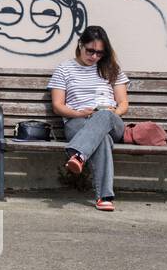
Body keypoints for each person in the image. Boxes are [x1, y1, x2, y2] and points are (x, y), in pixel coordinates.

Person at [47, 26, 129, 211]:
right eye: (90, 51)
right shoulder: (64, 69)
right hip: (78, 121)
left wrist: (110, 114)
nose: (94, 57)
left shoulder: (111, 69)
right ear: (80, 45)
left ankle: (79, 154)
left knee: (104, 117)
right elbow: (58, 105)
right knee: (102, 139)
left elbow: (123, 103)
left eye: (100, 53)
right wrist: (79, 113)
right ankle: (104, 197)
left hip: (111, 120)